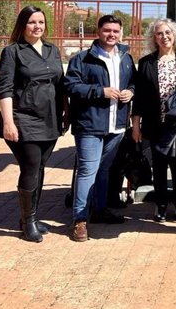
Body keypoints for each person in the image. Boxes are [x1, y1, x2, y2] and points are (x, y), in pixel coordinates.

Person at [0, 6, 68, 242]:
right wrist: (8, 122)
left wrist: (66, 110)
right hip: (23, 119)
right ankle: (27, 222)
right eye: (32, 22)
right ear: (22, 25)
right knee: (31, 166)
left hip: (50, 118)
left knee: (40, 167)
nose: (37, 26)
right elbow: (3, 88)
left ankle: (32, 216)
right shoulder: (13, 52)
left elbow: (60, 84)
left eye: (41, 22)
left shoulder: (52, 50)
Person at [64, 14, 136, 242]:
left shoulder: (125, 57)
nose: (111, 35)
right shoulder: (82, 59)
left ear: (120, 33)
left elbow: (133, 81)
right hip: (90, 124)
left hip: (117, 124)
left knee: (104, 169)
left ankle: (99, 209)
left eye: (115, 31)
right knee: (87, 171)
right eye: (107, 30)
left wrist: (131, 92)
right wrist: (100, 91)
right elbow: (71, 86)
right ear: (98, 31)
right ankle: (80, 220)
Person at [131, 19, 176, 222]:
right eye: (159, 33)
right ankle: (160, 203)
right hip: (154, 123)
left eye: (168, 32)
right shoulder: (146, 62)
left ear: (174, 35)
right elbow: (139, 97)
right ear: (154, 38)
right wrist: (136, 125)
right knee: (158, 166)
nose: (164, 37)